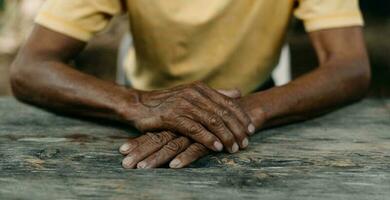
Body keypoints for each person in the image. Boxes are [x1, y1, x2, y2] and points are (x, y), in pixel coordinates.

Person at [10, 0, 370, 169]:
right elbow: (30, 67)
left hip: (254, 96)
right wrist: (138, 103)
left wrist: (241, 112)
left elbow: (350, 66)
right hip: (144, 98)